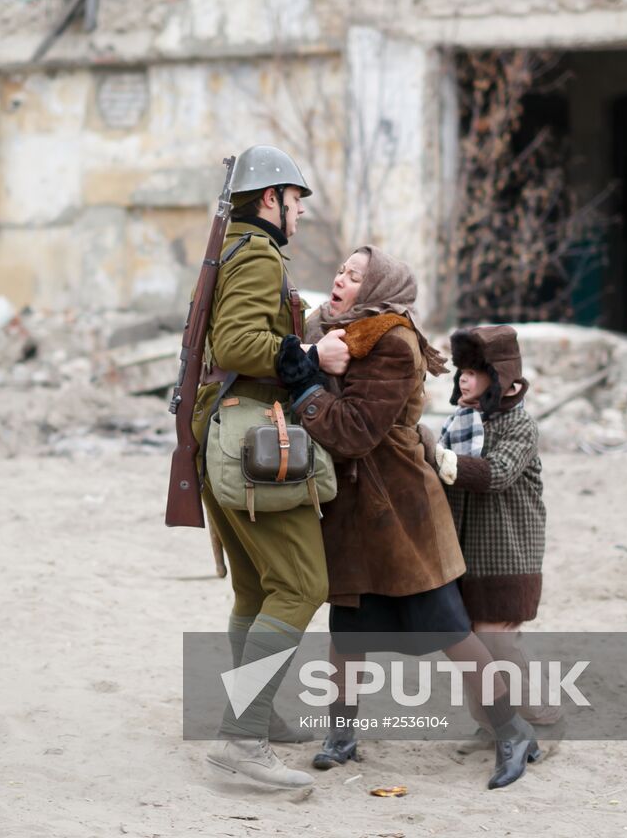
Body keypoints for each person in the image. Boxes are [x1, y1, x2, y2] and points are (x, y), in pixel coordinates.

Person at [278, 246, 541, 790]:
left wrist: (303, 386)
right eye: (341, 269)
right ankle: (342, 736)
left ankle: (513, 731)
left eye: (354, 275)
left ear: (378, 290)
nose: (340, 278)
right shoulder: (332, 332)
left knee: (448, 628)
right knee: (347, 629)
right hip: (352, 510)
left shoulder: (393, 343)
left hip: (400, 508)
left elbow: (353, 431)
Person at [193, 144, 350, 791]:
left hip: (220, 433)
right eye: (296, 202)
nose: (301, 215)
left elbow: (241, 330)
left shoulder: (234, 246)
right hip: (248, 435)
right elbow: (236, 344)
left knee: (256, 591)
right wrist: (313, 352)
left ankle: (254, 716)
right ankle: (242, 736)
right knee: (303, 584)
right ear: (270, 200)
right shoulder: (256, 251)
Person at [431, 325, 557, 741]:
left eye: (474, 370)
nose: (463, 377)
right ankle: (493, 726)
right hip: (463, 556)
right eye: (461, 370)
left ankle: (543, 721)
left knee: (497, 642)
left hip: (506, 555)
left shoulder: (518, 427)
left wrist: (436, 458)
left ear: (501, 380)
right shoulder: (460, 423)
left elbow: (497, 473)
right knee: (471, 649)